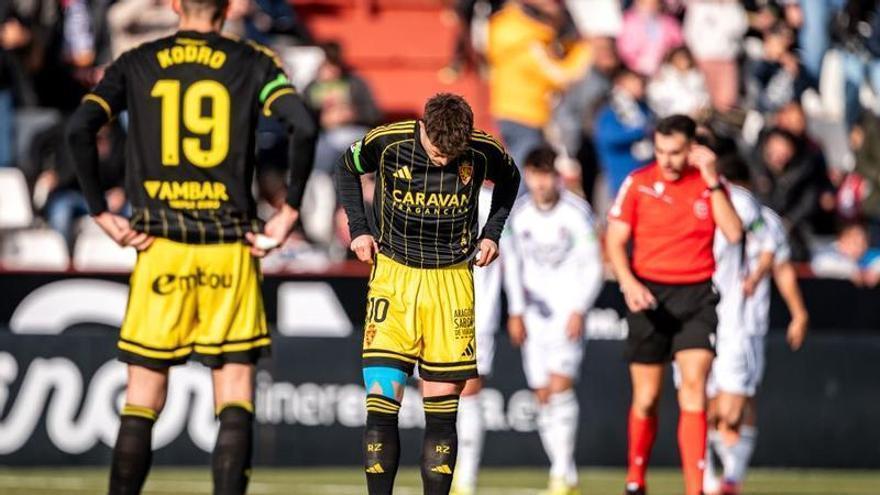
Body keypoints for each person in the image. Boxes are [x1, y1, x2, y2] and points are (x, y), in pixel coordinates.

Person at [65, 0, 317, 493]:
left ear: (176, 5)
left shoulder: (138, 60)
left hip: (160, 246)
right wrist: (289, 211)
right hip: (229, 247)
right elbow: (304, 126)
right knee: (235, 393)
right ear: (228, 7)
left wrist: (100, 212)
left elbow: (79, 129)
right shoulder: (253, 60)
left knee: (142, 397)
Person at [335, 93, 520, 495]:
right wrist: (359, 229)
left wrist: (492, 233)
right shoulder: (388, 141)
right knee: (381, 407)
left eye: (451, 155)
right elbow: (345, 167)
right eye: (437, 152)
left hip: (451, 283)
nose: (443, 161)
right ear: (423, 128)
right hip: (394, 279)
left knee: (442, 414)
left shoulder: (482, 150)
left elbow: (511, 180)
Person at [605, 115, 743, 495]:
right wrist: (629, 282)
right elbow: (615, 240)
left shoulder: (711, 185)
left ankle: (695, 489)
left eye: (675, 152)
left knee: (694, 388)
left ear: (692, 149)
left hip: (696, 296)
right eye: (661, 151)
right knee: (647, 398)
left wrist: (712, 178)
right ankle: (636, 479)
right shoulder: (638, 183)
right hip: (649, 295)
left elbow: (734, 233)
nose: (667, 160)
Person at [702, 156, 809, 495]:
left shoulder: (765, 222)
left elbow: (781, 267)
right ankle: (711, 477)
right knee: (705, 402)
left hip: (745, 323)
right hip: (704, 319)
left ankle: (733, 475)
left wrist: (798, 313)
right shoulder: (704, 213)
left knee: (735, 404)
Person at [503, 146, 604, 495]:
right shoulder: (519, 215)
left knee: (561, 386)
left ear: (557, 177)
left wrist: (579, 308)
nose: (541, 183)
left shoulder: (576, 213)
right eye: (536, 175)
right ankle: (565, 471)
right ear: (528, 176)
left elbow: (593, 265)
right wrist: (516, 311)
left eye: (547, 175)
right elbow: (512, 267)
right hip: (533, 316)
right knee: (543, 393)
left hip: (566, 312)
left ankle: (560, 473)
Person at [450, 184, 504, 495]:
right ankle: (443, 469)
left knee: (468, 389)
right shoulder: (434, 190)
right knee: (434, 391)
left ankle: (466, 479)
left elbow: (512, 257)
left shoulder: (491, 202)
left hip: (476, 308)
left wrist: (516, 309)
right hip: (433, 303)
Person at [594, 67, 654, 198]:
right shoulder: (610, 111)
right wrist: (642, 131)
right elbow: (608, 138)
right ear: (621, 83)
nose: (640, 84)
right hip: (620, 179)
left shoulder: (644, 108)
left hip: (645, 176)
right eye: (634, 80)